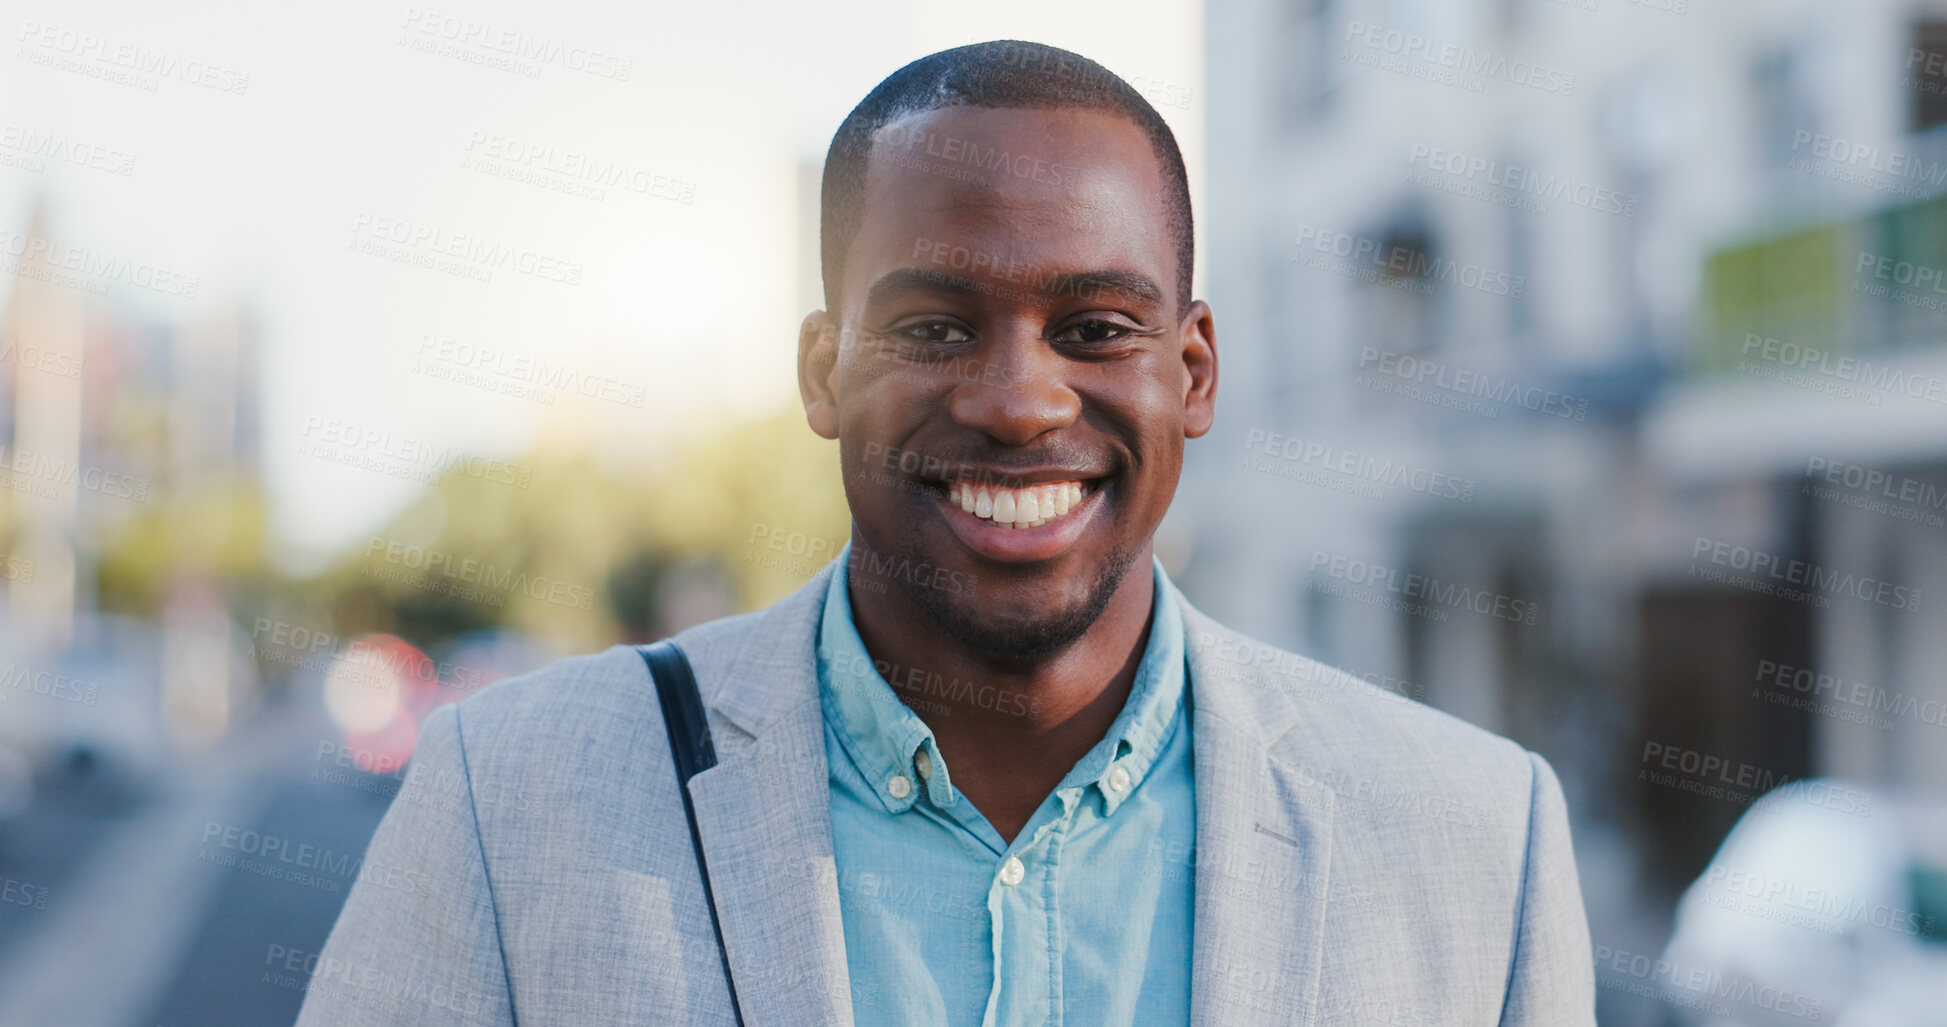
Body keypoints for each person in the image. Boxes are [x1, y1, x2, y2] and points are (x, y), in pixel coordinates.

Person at [297, 39, 1595, 1026]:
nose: (1018, 401)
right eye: (932, 328)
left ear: (1193, 372)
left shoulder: (1479, 841)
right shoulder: (507, 798)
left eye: (1096, 328)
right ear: (823, 371)